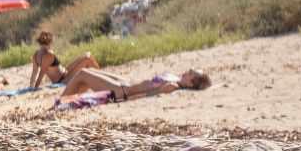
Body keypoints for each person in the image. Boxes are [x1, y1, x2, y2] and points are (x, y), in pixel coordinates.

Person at [59, 66, 210, 103]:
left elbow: (148, 95)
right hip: (124, 84)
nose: (186, 71)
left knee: (83, 73)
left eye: (190, 73)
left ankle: (60, 103)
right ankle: (69, 100)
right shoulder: (176, 79)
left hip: (121, 92)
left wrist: (124, 99)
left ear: (191, 83)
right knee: (89, 71)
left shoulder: (173, 87)